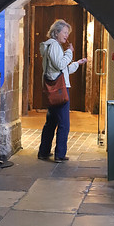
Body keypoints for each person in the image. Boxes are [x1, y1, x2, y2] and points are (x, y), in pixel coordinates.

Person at [38, 19, 87, 162]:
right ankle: (59, 154)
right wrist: (69, 52)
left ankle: (44, 152)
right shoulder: (54, 45)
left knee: (51, 122)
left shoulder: (54, 46)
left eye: (67, 33)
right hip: (59, 89)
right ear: (56, 32)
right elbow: (60, 65)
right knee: (64, 123)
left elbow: (62, 69)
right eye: (64, 32)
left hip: (55, 88)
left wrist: (77, 63)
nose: (66, 35)